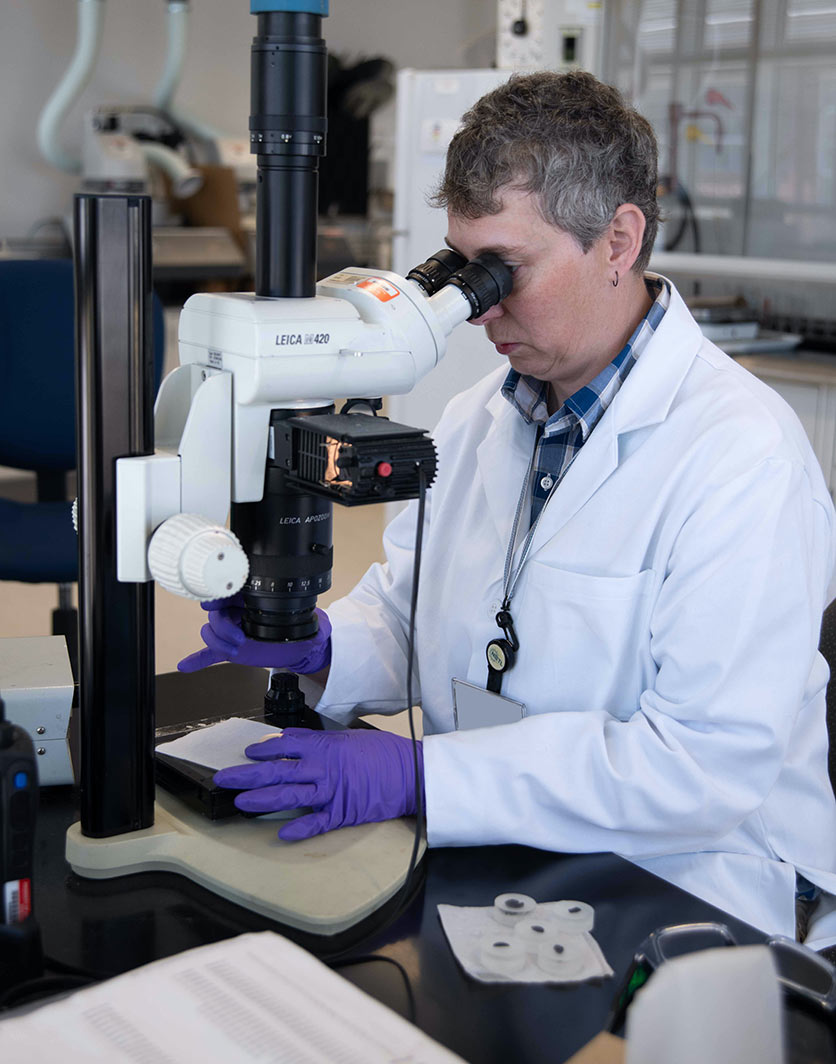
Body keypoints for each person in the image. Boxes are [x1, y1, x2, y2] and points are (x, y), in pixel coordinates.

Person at [179, 71, 836, 947]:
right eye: (462, 266)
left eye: (504, 271)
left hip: (692, 890)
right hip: (509, 862)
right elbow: (414, 613)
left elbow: (702, 767)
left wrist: (424, 779)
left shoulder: (743, 455)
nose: (475, 308)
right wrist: (330, 647)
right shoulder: (477, 415)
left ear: (618, 241)